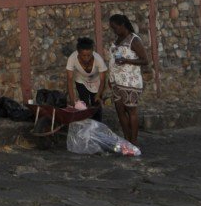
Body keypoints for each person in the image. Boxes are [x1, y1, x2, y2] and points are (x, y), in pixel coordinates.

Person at [107, 13, 154, 147]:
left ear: (123, 25)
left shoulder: (134, 40)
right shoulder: (117, 40)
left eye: (115, 28)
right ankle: (127, 139)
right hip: (116, 81)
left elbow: (145, 60)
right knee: (120, 110)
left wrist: (127, 60)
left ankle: (134, 141)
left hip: (129, 82)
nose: (114, 30)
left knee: (131, 110)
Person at [62, 36, 108, 116]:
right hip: (81, 80)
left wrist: (98, 95)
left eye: (89, 55)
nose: (86, 58)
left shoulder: (98, 59)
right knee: (84, 104)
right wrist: (72, 100)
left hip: (96, 81)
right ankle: (86, 122)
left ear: (92, 52)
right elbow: (69, 80)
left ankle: (98, 123)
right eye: (83, 55)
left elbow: (103, 80)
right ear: (78, 53)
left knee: (96, 104)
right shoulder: (72, 58)